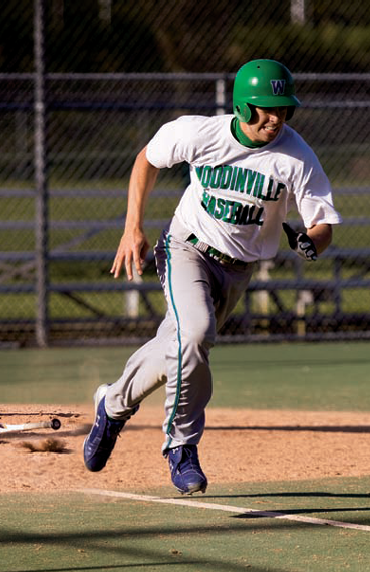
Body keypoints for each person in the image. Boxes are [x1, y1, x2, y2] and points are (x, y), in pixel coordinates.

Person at [83, 58, 343, 495]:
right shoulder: (200, 133)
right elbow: (146, 159)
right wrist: (133, 227)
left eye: (283, 108)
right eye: (265, 108)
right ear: (243, 107)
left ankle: (111, 406)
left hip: (237, 271)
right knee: (196, 332)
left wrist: (310, 243)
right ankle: (181, 446)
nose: (276, 117)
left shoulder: (296, 156)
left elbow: (324, 226)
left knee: (178, 346)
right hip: (186, 248)